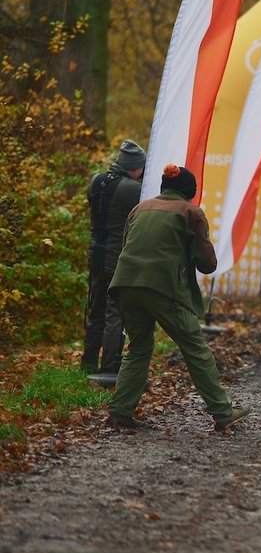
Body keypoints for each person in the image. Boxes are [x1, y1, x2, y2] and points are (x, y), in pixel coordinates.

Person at [107, 165, 248, 431]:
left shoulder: (140, 208)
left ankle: (120, 413)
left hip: (125, 283)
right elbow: (208, 264)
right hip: (162, 287)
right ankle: (222, 411)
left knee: (137, 349)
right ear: (190, 191)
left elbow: (127, 244)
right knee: (195, 347)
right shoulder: (190, 212)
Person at [83, 139, 146, 380]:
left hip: (95, 253)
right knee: (114, 312)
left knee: (95, 310)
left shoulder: (97, 180)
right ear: (135, 167)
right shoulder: (133, 189)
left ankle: (88, 363)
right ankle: (109, 367)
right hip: (117, 258)